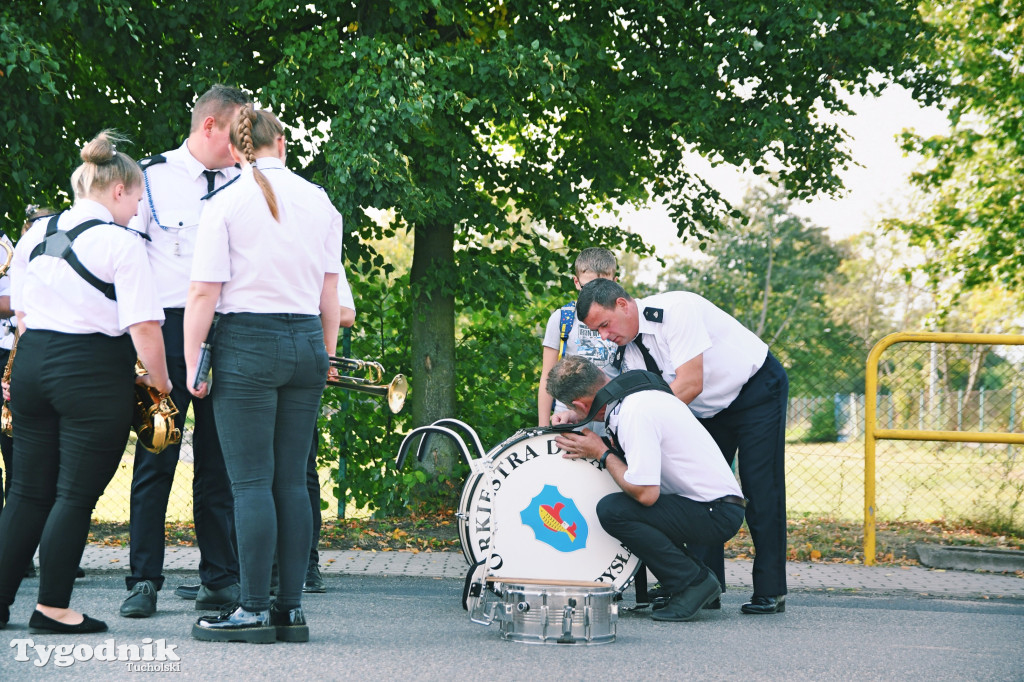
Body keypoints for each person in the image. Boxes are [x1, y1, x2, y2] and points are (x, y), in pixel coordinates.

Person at [0, 131, 170, 633]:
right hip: (91, 373)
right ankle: (53, 608)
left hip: (32, 362)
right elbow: (144, 328)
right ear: (118, 190)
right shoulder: (121, 243)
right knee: (74, 494)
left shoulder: (38, 232)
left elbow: (24, 315)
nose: (139, 208)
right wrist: (162, 388)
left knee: (27, 492)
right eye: (139, 197)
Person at [184, 104, 342, 643]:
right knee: (292, 483)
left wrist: (191, 362)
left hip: (246, 344)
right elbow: (329, 294)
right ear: (284, 143)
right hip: (305, 342)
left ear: (234, 148)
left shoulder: (224, 202)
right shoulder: (320, 201)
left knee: (250, 484)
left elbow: (204, 292)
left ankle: (251, 608)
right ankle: (289, 610)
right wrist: (325, 354)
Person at [569, 278, 789, 615]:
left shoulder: (676, 310)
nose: (603, 335)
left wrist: (648, 426)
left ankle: (770, 589)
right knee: (694, 490)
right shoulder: (626, 350)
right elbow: (619, 400)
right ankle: (704, 586)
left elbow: (689, 383)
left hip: (754, 391)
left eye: (604, 324)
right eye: (596, 330)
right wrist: (574, 418)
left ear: (624, 305)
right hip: (703, 409)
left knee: (761, 486)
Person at [120, 84, 249, 620]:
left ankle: (219, 579)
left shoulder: (248, 182)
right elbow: (127, 256)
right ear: (210, 126)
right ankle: (144, 579)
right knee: (156, 457)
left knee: (219, 466)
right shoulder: (149, 179)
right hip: (164, 338)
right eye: (238, 131)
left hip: (226, 333)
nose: (245, 143)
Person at [548, 355, 745, 622]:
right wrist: (576, 416)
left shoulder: (634, 414)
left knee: (614, 510)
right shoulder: (637, 396)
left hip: (716, 512)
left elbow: (646, 494)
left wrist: (602, 453)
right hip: (713, 504)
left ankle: (693, 582)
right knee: (620, 503)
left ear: (581, 403)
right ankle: (692, 578)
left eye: (578, 410)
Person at [303, 271, 355, 594]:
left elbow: (346, 312)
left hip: (305, 354)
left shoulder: (317, 228)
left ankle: (308, 564)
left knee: (303, 469)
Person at [537, 247, 620, 429]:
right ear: (576, 282)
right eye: (589, 287)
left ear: (615, 282)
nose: (596, 296)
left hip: (613, 418)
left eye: (604, 288)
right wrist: (542, 430)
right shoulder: (562, 319)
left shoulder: (623, 320)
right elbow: (547, 376)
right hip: (567, 419)